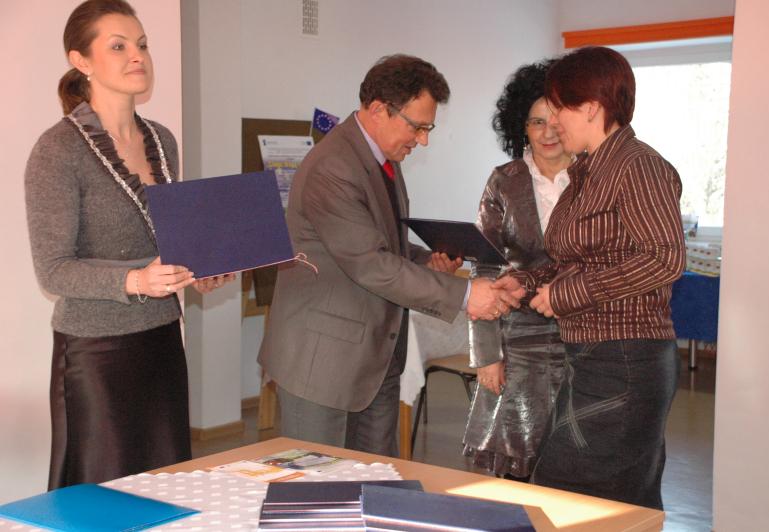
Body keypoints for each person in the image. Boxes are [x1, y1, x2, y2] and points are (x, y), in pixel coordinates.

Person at [259, 54, 524, 457]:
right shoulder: (333, 167)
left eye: (428, 128)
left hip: (375, 358)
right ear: (378, 109)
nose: (423, 140)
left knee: (374, 480)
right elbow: (369, 264)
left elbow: (383, 246)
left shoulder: (383, 158)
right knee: (317, 485)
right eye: (417, 127)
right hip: (323, 363)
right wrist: (468, 295)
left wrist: (426, 261)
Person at [25, 0, 233, 489]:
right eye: (118, 46)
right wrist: (137, 280)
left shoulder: (162, 140)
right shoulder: (57, 149)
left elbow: (168, 240)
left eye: (141, 44)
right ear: (81, 60)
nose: (137, 55)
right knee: (105, 496)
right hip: (97, 353)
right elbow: (53, 270)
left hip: (162, 339)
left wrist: (197, 270)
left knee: (166, 485)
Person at [526, 46, 686, 509]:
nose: (553, 123)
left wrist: (567, 294)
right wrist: (525, 284)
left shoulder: (638, 165)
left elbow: (664, 258)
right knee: (609, 500)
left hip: (626, 358)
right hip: (594, 356)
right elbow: (579, 259)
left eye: (560, 108)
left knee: (571, 495)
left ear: (592, 107)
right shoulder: (588, 171)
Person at [462, 61, 570, 481]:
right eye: (536, 121)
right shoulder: (503, 182)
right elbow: (484, 270)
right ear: (520, 127)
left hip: (584, 340)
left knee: (575, 464)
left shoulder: (595, 179)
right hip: (518, 345)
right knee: (517, 469)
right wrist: (487, 355)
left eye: (556, 120)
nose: (547, 132)